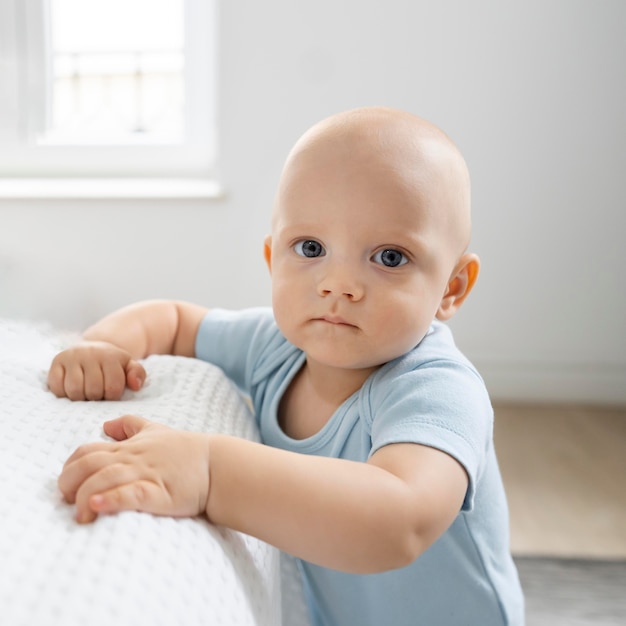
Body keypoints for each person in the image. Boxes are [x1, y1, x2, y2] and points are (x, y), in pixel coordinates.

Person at [48, 107, 524, 625]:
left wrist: (209, 472)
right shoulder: (274, 347)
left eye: (389, 257)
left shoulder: (438, 390)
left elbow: (399, 521)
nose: (338, 284)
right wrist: (103, 348)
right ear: (273, 259)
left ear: (451, 288)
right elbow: (172, 319)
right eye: (311, 248)